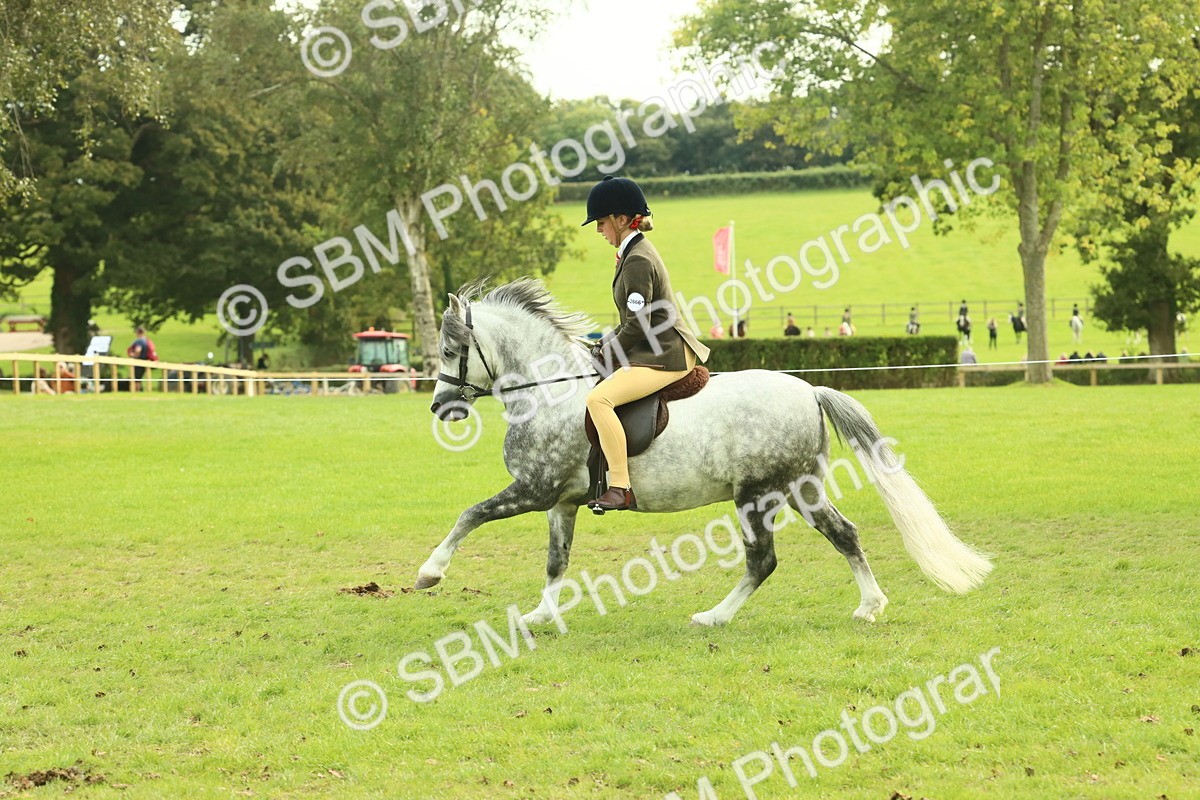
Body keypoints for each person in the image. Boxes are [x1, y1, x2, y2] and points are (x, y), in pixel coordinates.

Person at [581, 176, 710, 512]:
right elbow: (631, 323)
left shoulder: (637, 259)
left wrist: (607, 352)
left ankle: (620, 486)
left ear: (622, 220)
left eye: (601, 222)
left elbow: (636, 325)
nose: (599, 230)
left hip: (664, 355)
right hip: (651, 349)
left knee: (599, 399)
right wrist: (598, 344)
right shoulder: (632, 253)